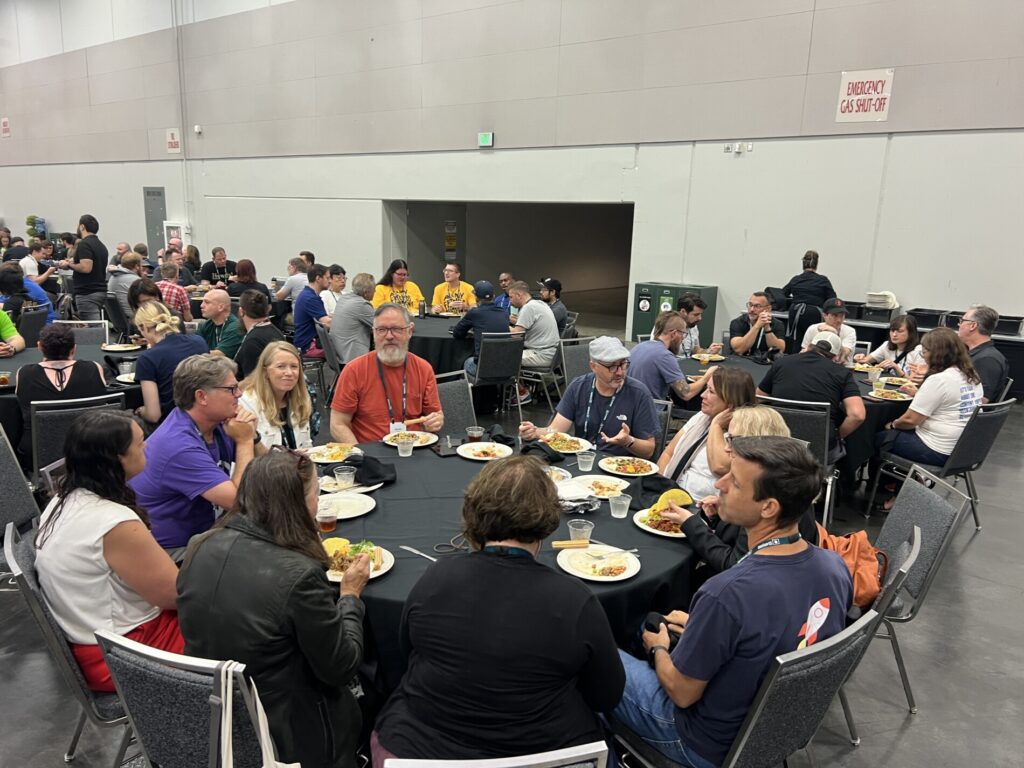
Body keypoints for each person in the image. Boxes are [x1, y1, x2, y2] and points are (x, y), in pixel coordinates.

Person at [614, 437, 853, 768]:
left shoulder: (726, 593)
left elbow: (682, 693)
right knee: (654, 622)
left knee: (594, 653)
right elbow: (776, 632)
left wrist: (658, 650)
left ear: (768, 507)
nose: (719, 484)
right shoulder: (835, 568)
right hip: (772, 733)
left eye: (735, 482)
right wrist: (704, 628)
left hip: (700, 743)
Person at [374, 456, 624, 763]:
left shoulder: (436, 577)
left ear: (473, 512)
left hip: (419, 750)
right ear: (547, 519)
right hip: (547, 752)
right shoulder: (576, 600)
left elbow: (407, 655)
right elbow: (606, 696)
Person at [176, 450, 369, 768]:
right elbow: (341, 667)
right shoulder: (300, 575)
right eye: (316, 493)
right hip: (287, 731)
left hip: (213, 714)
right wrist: (350, 597)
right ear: (299, 503)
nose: (318, 502)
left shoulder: (199, 545)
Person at [34, 411, 184, 692]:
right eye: (140, 443)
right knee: (237, 621)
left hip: (95, 643)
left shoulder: (61, 501)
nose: (146, 447)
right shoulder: (115, 522)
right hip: (124, 655)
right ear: (118, 458)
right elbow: (175, 596)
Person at [657, 406, 818, 580]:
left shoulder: (768, 495)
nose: (726, 448)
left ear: (756, 441)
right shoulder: (780, 482)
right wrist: (718, 515)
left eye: (732, 439)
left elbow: (735, 565)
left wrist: (691, 524)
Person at [130, 354, 263, 558]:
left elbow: (265, 467)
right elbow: (239, 502)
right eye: (231, 389)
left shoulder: (216, 423)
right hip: (172, 551)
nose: (239, 394)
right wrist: (245, 441)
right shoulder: (178, 445)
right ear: (202, 397)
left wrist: (252, 436)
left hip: (208, 531)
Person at [520, 336, 658, 458]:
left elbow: (649, 450)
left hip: (619, 467)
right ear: (593, 366)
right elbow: (555, 430)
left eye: (623, 364)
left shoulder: (639, 394)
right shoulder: (579, 387)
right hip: (581, 460)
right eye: (612, 367)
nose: (620, 372)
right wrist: (535, 432)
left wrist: (628, 441)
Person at [330, 304, 444, 444]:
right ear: (373, 332)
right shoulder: (354, 370)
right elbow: (338, 424)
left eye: (396, 329)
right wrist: (360, 453)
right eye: (382, 330)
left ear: (410, 331)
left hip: (414, 448)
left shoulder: (423, 369)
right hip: (370, 450)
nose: (389, 336)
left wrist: (435, 421)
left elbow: (435, 414)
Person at [877, 327, 983, 469]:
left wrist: (892, 425)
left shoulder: (939, 380)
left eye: (924, 352)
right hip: (964, 450)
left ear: (936, 354)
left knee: (877, 436)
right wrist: (919, 394)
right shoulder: (971, 374)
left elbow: (910, 421)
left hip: (936, 450)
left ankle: (883, 480)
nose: (924, 356)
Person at [758, 331, 865, 462]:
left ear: (808, 346)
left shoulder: (782, 362)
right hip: (818, 449)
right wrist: (837, 435)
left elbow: (758, 397)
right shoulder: (842, 373)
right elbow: (857, 415)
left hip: (776, 441)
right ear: (835, 357)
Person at [658, 368, 756, 497]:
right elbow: (669, 453)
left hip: (700, 504)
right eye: (706, 389)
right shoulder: (702, 417)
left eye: (711, 391)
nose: (702, 395)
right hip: (667, 492)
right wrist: (659, 488)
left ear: (731, 402)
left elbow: (719, 467)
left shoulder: (744, 431)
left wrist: (716, 425)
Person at [15, 323, 107, 458]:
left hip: (39, 453)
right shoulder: (94, 368)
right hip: (91, 451)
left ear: (39, 347)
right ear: (74, 348)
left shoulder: (24, 373)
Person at [133, 302, 209, 424]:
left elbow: (153, 415)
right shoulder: (199, 341)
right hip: (206, 417)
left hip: (173, 424)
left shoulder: (147, 358)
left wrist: (140, 411)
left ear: (144, 328)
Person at [239, 341, 314, 449]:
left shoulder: (302, 398)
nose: (289, 373)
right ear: (265, 372)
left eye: (294, 366)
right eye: (281, 366)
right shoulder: (247, 404)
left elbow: (307, 445)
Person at [629, 311, 713, 402]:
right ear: (674, 334)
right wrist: (706, 377)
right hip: (652, 408)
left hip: (631, 405)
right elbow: (686, 393)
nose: (682, 339)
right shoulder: (664, 355)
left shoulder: (638, 347)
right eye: (683, 334)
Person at [453, 280, 512, 377]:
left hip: (483, 370)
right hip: (506, 369)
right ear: (493, 296)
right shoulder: (504, 313)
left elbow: (457, 333)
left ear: (476, 298)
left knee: (465, 361)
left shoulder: (474, 313)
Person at [508, 280, 558, 392]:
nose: (509, 301)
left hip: (542, 355)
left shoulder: (528, 308)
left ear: (519, 295)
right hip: (552, 353)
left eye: (511, 297)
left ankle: (522, 393)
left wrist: (502, 324)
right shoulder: (539, 303)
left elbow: (516, 335)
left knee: (504, 357)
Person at [57, 214, 109, 321]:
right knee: (95, 324)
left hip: (87, 292)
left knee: (93, 327)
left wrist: (69, 265)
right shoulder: (101, 245)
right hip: (99, 290)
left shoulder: (84, 244)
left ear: (82, 227)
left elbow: (86, 268)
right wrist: (73, 262)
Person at [957, 304, 1009, 403]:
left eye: (962, 321)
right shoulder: (980, 354)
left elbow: (982, 399)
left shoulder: (987, 360)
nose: (959, 324)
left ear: (973, 326)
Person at [234, 289, 285, 379]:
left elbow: (251, 381)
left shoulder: (253, 341)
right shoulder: (276, 332)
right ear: (267, 309)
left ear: (241, 311)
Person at [854, 314, 925, 378]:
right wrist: (860, 358)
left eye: (900, 331)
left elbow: (914, 382)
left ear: (911, 333)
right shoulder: (887, 345)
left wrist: (896, 368)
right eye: (892, 331)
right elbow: (865, 361)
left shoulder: (919, 351)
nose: (894, 335)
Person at [330, 272, 375, 364]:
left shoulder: (344, 298)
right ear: (366, 293)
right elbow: (382, 324)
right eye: (374, 289)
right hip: (352, 358)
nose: (375, 292)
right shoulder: (362, 305)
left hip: (340, 353)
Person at [801, 298, 857, 364]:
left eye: (842, 316)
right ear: (825, 315)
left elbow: (842, 356)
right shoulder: (813, 328)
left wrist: (834, 333)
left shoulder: (850, 331)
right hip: (815, 365)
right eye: (835, 316)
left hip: (840, 367)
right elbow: (804, 352)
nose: (839, 320)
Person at [729, 292, 785, 356]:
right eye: (750, 305)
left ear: (768, 309)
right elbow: (739, 350)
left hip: (765, 360)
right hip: (741, 360)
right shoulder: (737, 322)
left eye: (757, 306)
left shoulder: (777, 324)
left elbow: (780, 350)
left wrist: (767, 328)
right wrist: (757, 326)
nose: (752, 309)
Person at [292, 263, 332, 354]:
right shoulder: (310, 298)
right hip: (309, 345)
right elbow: (327, 323)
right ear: (318, 278)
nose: (330, 281)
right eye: (327, 278)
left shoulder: (308, 294)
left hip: (306, 342)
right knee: (344, 350)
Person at [198, 288, 244, 358]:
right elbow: (194, 342)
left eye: (207, 302)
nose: (201, 305)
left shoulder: (235, 327)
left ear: (221, 307)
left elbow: (220, 354)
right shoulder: (208, 324)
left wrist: (192, 352)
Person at [108, 252, 144, 320]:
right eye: (142, 265)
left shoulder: (112, 277)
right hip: (135, 319)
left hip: (118, 320)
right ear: (137, 266)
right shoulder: (136, 281)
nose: (142, 268)